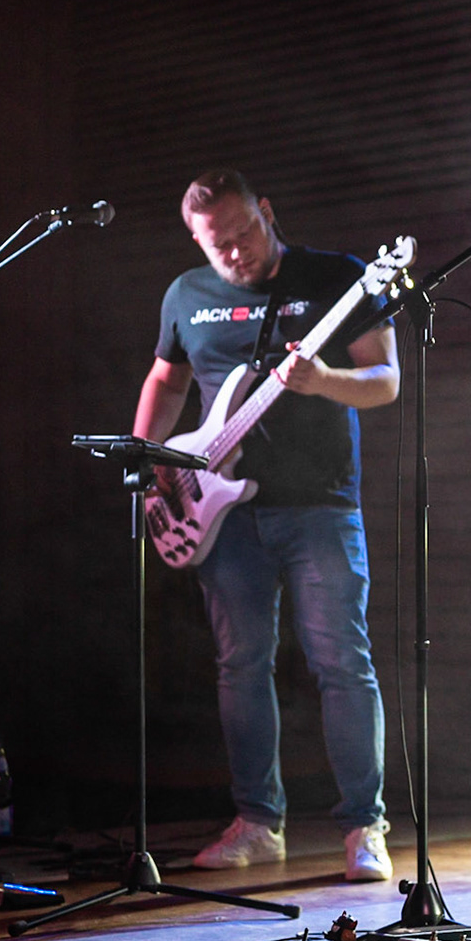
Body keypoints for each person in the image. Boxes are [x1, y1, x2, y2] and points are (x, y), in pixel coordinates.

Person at [133, 170, 400, 883]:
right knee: (240, 665)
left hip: (320, 505)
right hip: (223, 511)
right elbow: (167, 379)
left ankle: (364, 826)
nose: (235, 253)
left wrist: (324, 381)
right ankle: (257, 823)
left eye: (244, 233)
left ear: (268, 213)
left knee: (341, 663)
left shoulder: (338, 278)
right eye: (217, 244)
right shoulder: (187, 295)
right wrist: (151, 459)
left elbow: (386, 380)